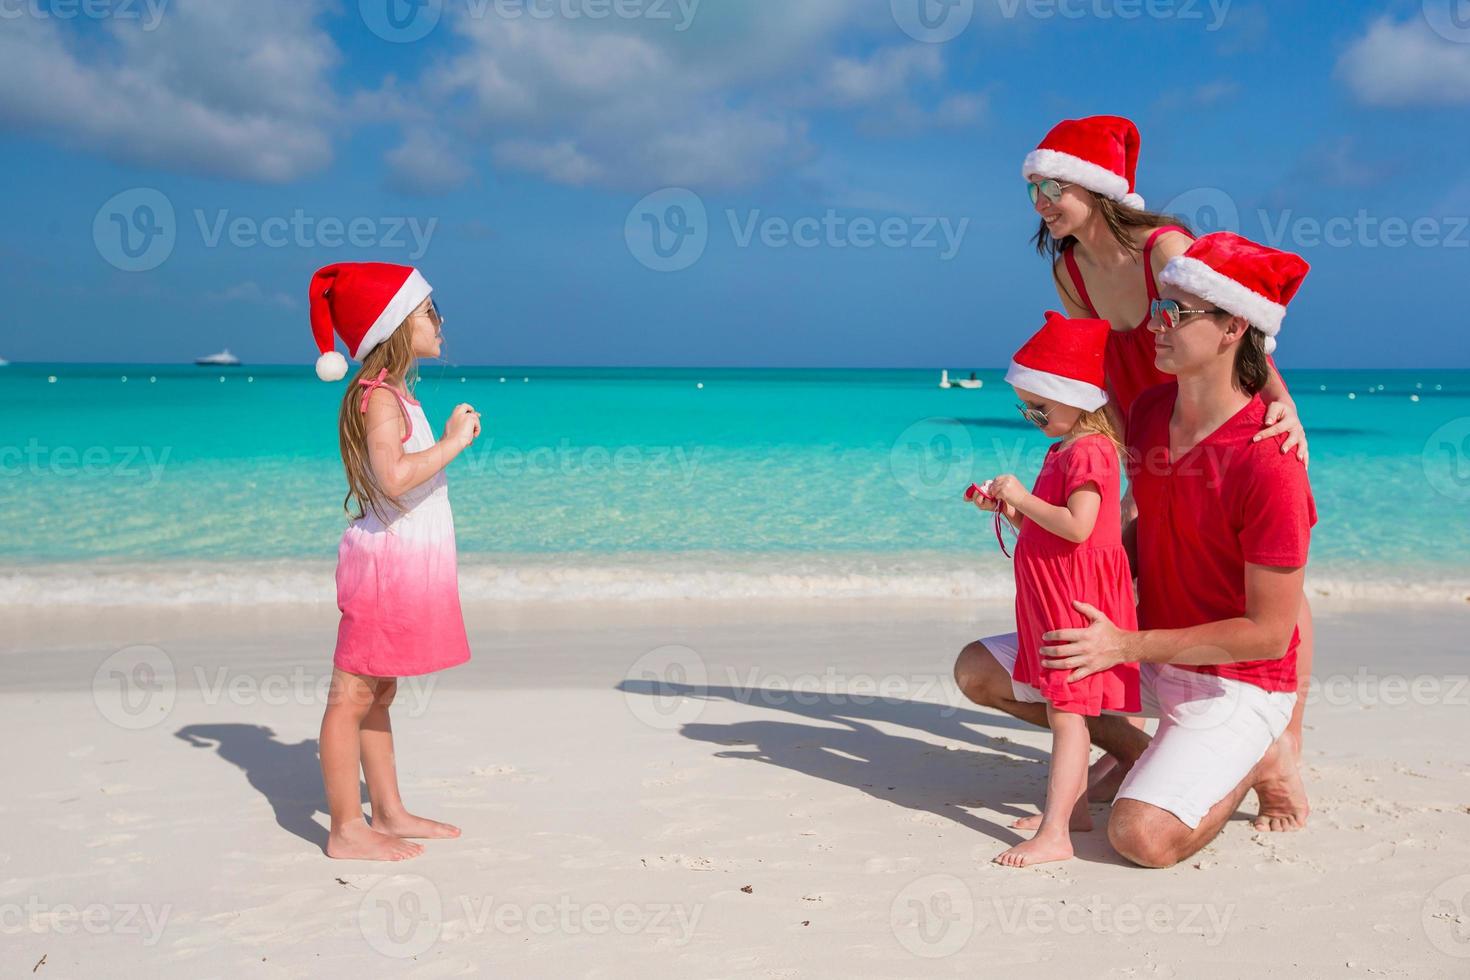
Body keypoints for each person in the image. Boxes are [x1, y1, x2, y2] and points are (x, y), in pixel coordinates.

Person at [968, 233, 1316, 867]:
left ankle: (1264, 756)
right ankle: (1137, 748)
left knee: (1140, 839)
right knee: (981, 670)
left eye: (1174, 313)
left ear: (1234, 325)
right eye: (1158, 307)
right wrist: (1032, 523)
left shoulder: (1272, 462)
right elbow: (1126, 533)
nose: (1153, 325)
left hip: (1234, 682)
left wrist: (1124, 647)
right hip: (1147, 652)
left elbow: (1271, 634)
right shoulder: (1153, 411)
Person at [308, 262, 483, 861]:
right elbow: (393, 477)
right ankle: (344, 827)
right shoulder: (380, 400)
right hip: (381, 572)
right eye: (429, 312)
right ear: (397, 326)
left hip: (401, 569)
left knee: (379, 694)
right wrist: (454, 443)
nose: (440, 321)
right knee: (350, 697)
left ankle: (387, 810)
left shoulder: (397, 396)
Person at [973, 312, 1139, 867]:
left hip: (1075, 600)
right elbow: (1052, 529)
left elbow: (1079, 527)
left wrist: (1020, 495)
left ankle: (1056, 834)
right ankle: (1077, 812)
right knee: (1062, 705)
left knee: (1069, 714)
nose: (1031, 416)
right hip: (1054, 592)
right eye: (1026, 408)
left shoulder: (1090, 451)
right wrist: (1008, 509)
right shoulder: (1063, 449)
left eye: (1038, 406)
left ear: (1074, 397)